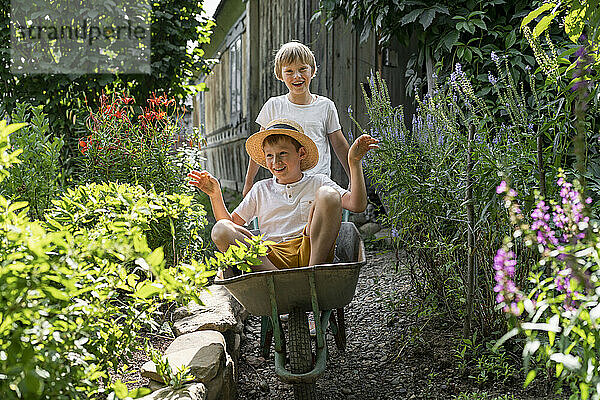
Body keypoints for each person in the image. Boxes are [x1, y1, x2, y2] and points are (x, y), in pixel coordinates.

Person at [188, 119, 377, 276]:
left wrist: (354, 162)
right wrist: (215, 195)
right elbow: (230, 225)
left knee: (328, 195)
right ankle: (279, 282)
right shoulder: (260, 189)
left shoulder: (318, 182)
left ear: (301, 153)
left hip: (311, 251)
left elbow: (357, 205)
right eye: (269, 156)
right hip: (270, 257)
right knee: (220, 229)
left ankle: (312, 275)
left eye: (283, 154)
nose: (275, 162)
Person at [242, 41, 351, 197]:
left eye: (302, 69)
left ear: (312, 71)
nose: (297, 76)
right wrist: (248, 183)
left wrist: (353, 177)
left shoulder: (325, 106)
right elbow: (260, 147)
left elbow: (339, 145)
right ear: (280, 74)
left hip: (318, 186)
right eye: (289, 71)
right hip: (285, 188)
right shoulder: (274, 106)